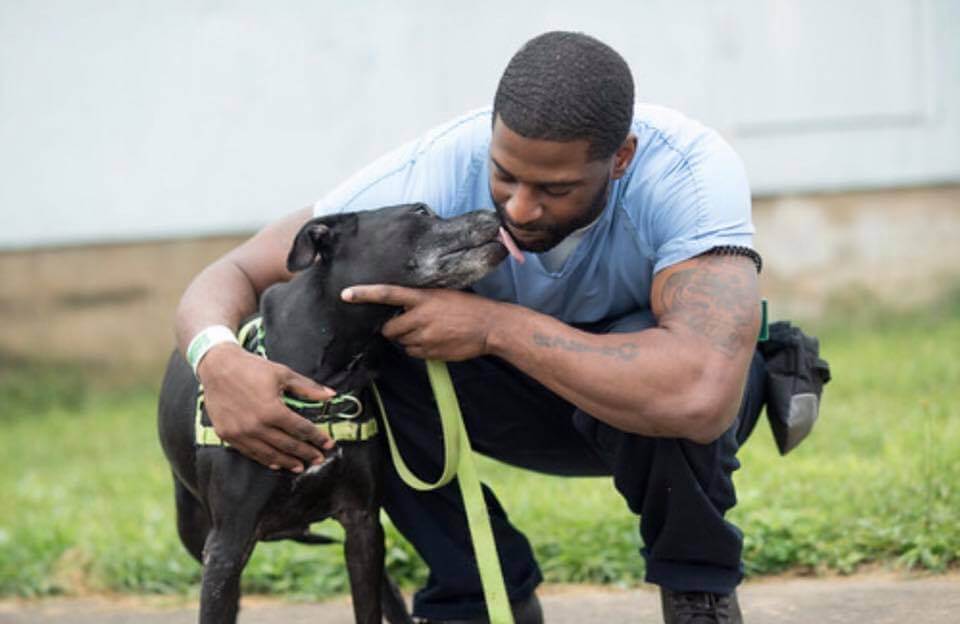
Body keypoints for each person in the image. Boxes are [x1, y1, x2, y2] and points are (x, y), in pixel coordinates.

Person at [176, 31, 769, 624]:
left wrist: (494, 326)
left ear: (620, 159)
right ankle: (479, 593)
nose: (517, 209)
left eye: (554, 189)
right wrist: (218, 359)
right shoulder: (432, 169)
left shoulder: (688, 175)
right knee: (371, 345)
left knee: (662, 357)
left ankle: (698, 589)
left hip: (651, 416)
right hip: (501, 403)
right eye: (505, 175)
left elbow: (701, 395)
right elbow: (231, 271)